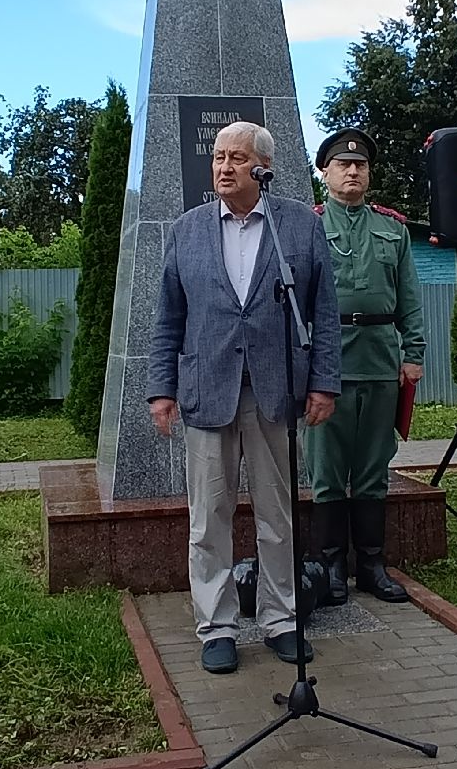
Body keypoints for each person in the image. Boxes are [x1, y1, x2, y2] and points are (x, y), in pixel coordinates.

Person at [147, 121, 341, 674]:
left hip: (274, 392)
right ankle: (218, 627)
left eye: (236, 158)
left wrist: (324, 381)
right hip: (207, 391)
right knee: (208, 517)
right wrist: (162, 390)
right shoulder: (187, 231)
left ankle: (281, 619)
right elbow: (168, 318)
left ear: (262, 167)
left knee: (277, 515)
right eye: (217, 157)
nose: (223, 167)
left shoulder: (298, 227)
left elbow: (322, 311)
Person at [306, 127, 425, 605]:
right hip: (329, 361)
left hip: (380, 359)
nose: (352, 171)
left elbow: (410, 298)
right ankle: (332, 565)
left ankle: (373, 565)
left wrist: (413, 353)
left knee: (374, 466)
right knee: (327, 469)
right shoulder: (309, 227)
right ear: (325, 173)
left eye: (360, 165)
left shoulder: (392, 229)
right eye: (342, 164)